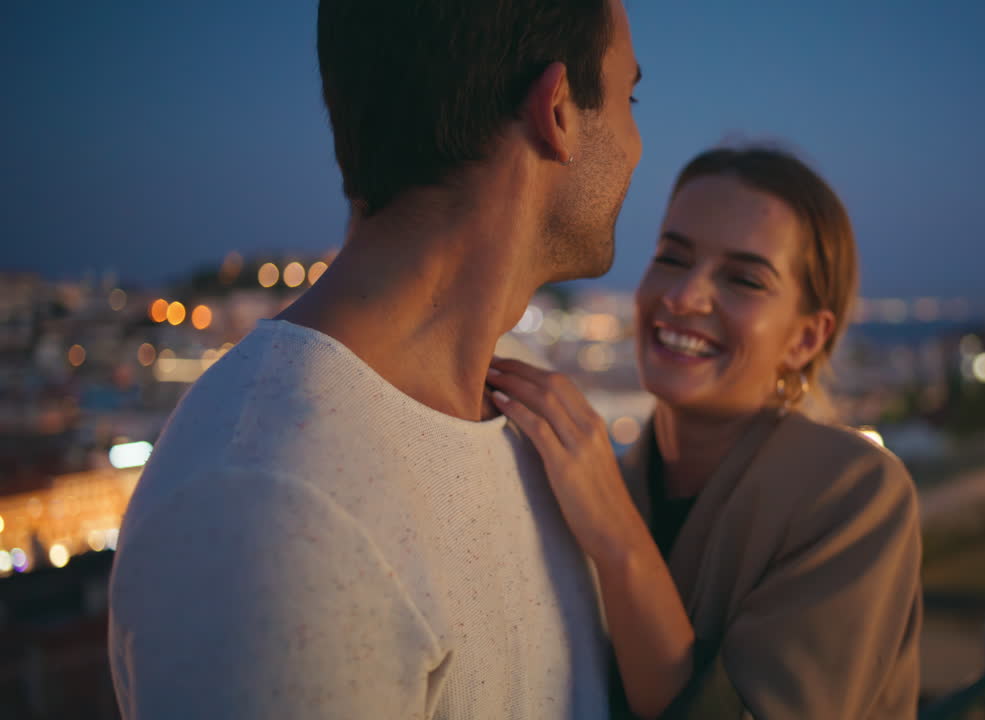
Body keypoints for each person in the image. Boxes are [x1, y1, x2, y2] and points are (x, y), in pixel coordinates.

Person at [107, 0, 641, 717]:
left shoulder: (526, 428)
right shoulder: (273, 514)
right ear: (558, 112)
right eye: (629, 96)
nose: (638, 143)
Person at [487, 146, 922, 719]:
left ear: (805, 340)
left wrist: (619, 541)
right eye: (671, 257)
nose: (683, 296)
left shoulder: (856, 496)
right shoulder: (611, 483)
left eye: (743, 279)